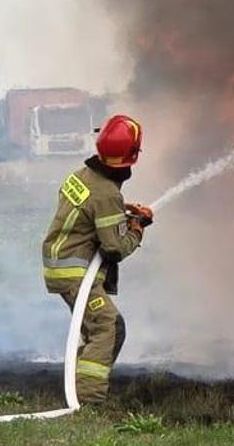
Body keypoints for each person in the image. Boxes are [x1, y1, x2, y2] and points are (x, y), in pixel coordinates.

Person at [41, 114, 152, 406]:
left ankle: (74, 387)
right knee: (108, 327)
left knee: (97, 329)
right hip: (75, 273)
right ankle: (88, 403)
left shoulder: (81, 176)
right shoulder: (106, 194)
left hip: (59, 265)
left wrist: (122, 209)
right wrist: (138, 229)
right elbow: (114, 248)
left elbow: (89, 207)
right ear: (131, 156)